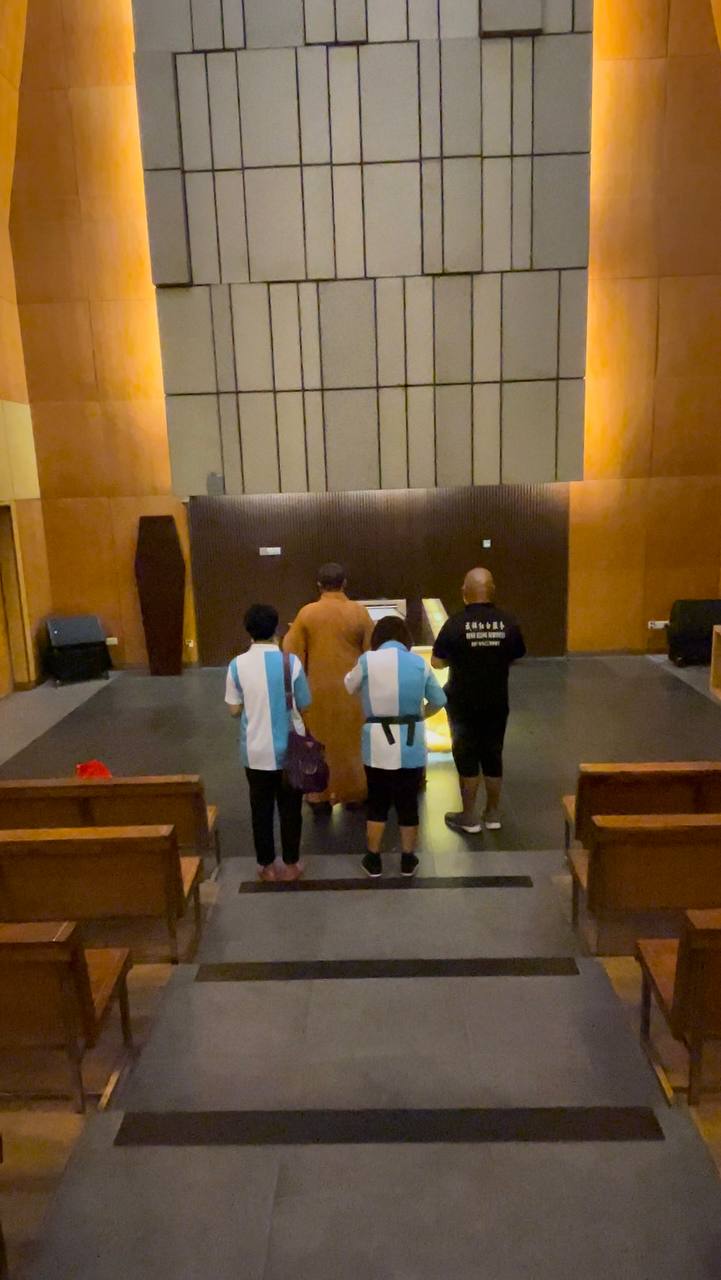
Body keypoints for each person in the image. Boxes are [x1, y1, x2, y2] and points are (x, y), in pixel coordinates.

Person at [345, 615, 446, 878]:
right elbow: (439, 698)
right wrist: (420, 713)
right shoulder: (418, 663)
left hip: (376, 742)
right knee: (408, 802)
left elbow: (349, 685)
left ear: (378, 638)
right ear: (406, 638)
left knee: (377, 801)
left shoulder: (367, 661)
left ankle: (374, 859)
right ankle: (407, 859)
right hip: (411, 743)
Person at [432, 568, 526, 835]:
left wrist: (461, 658)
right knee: (493, 755)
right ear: (492, 590)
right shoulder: (508, 621)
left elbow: (436, 661)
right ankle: (493, 814)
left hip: (462, 703)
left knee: (467, 758)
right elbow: (517, 653)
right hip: (497, 700)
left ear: (464, 593)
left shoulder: (455, 624)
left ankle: (469, 816)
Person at [225, 603, 311, 882]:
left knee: (260, 809)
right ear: (277, 628)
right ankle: (292, 863)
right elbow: (305, 703)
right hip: (290, 749)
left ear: (247, 630)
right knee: (291, 809)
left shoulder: (236, 665)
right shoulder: (292, 662)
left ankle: (265, 865)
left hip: (254, 749)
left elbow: (234, 710)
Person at [283, 563, 374, 811]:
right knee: (352, 744)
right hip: (352, 694)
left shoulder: (307, 614)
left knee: (319, 743)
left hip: (316, 694)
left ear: (319, 586)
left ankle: (319, 795)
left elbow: (292, 657)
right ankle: (354, 793)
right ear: (345, 583)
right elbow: (371, 654)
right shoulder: (359, 613)